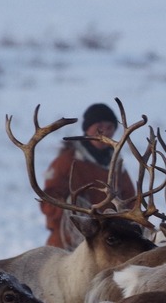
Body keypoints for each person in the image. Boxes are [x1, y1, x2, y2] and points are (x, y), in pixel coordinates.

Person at [41, 103, 137, 248]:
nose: (104, 131)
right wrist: (73, 208)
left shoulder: (117, 166)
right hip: (66, 243)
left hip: (107, 244)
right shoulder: (66, 161)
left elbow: (131, 201)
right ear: (87, 128)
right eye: (99, 125)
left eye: (110, 127)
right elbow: (48, 201)